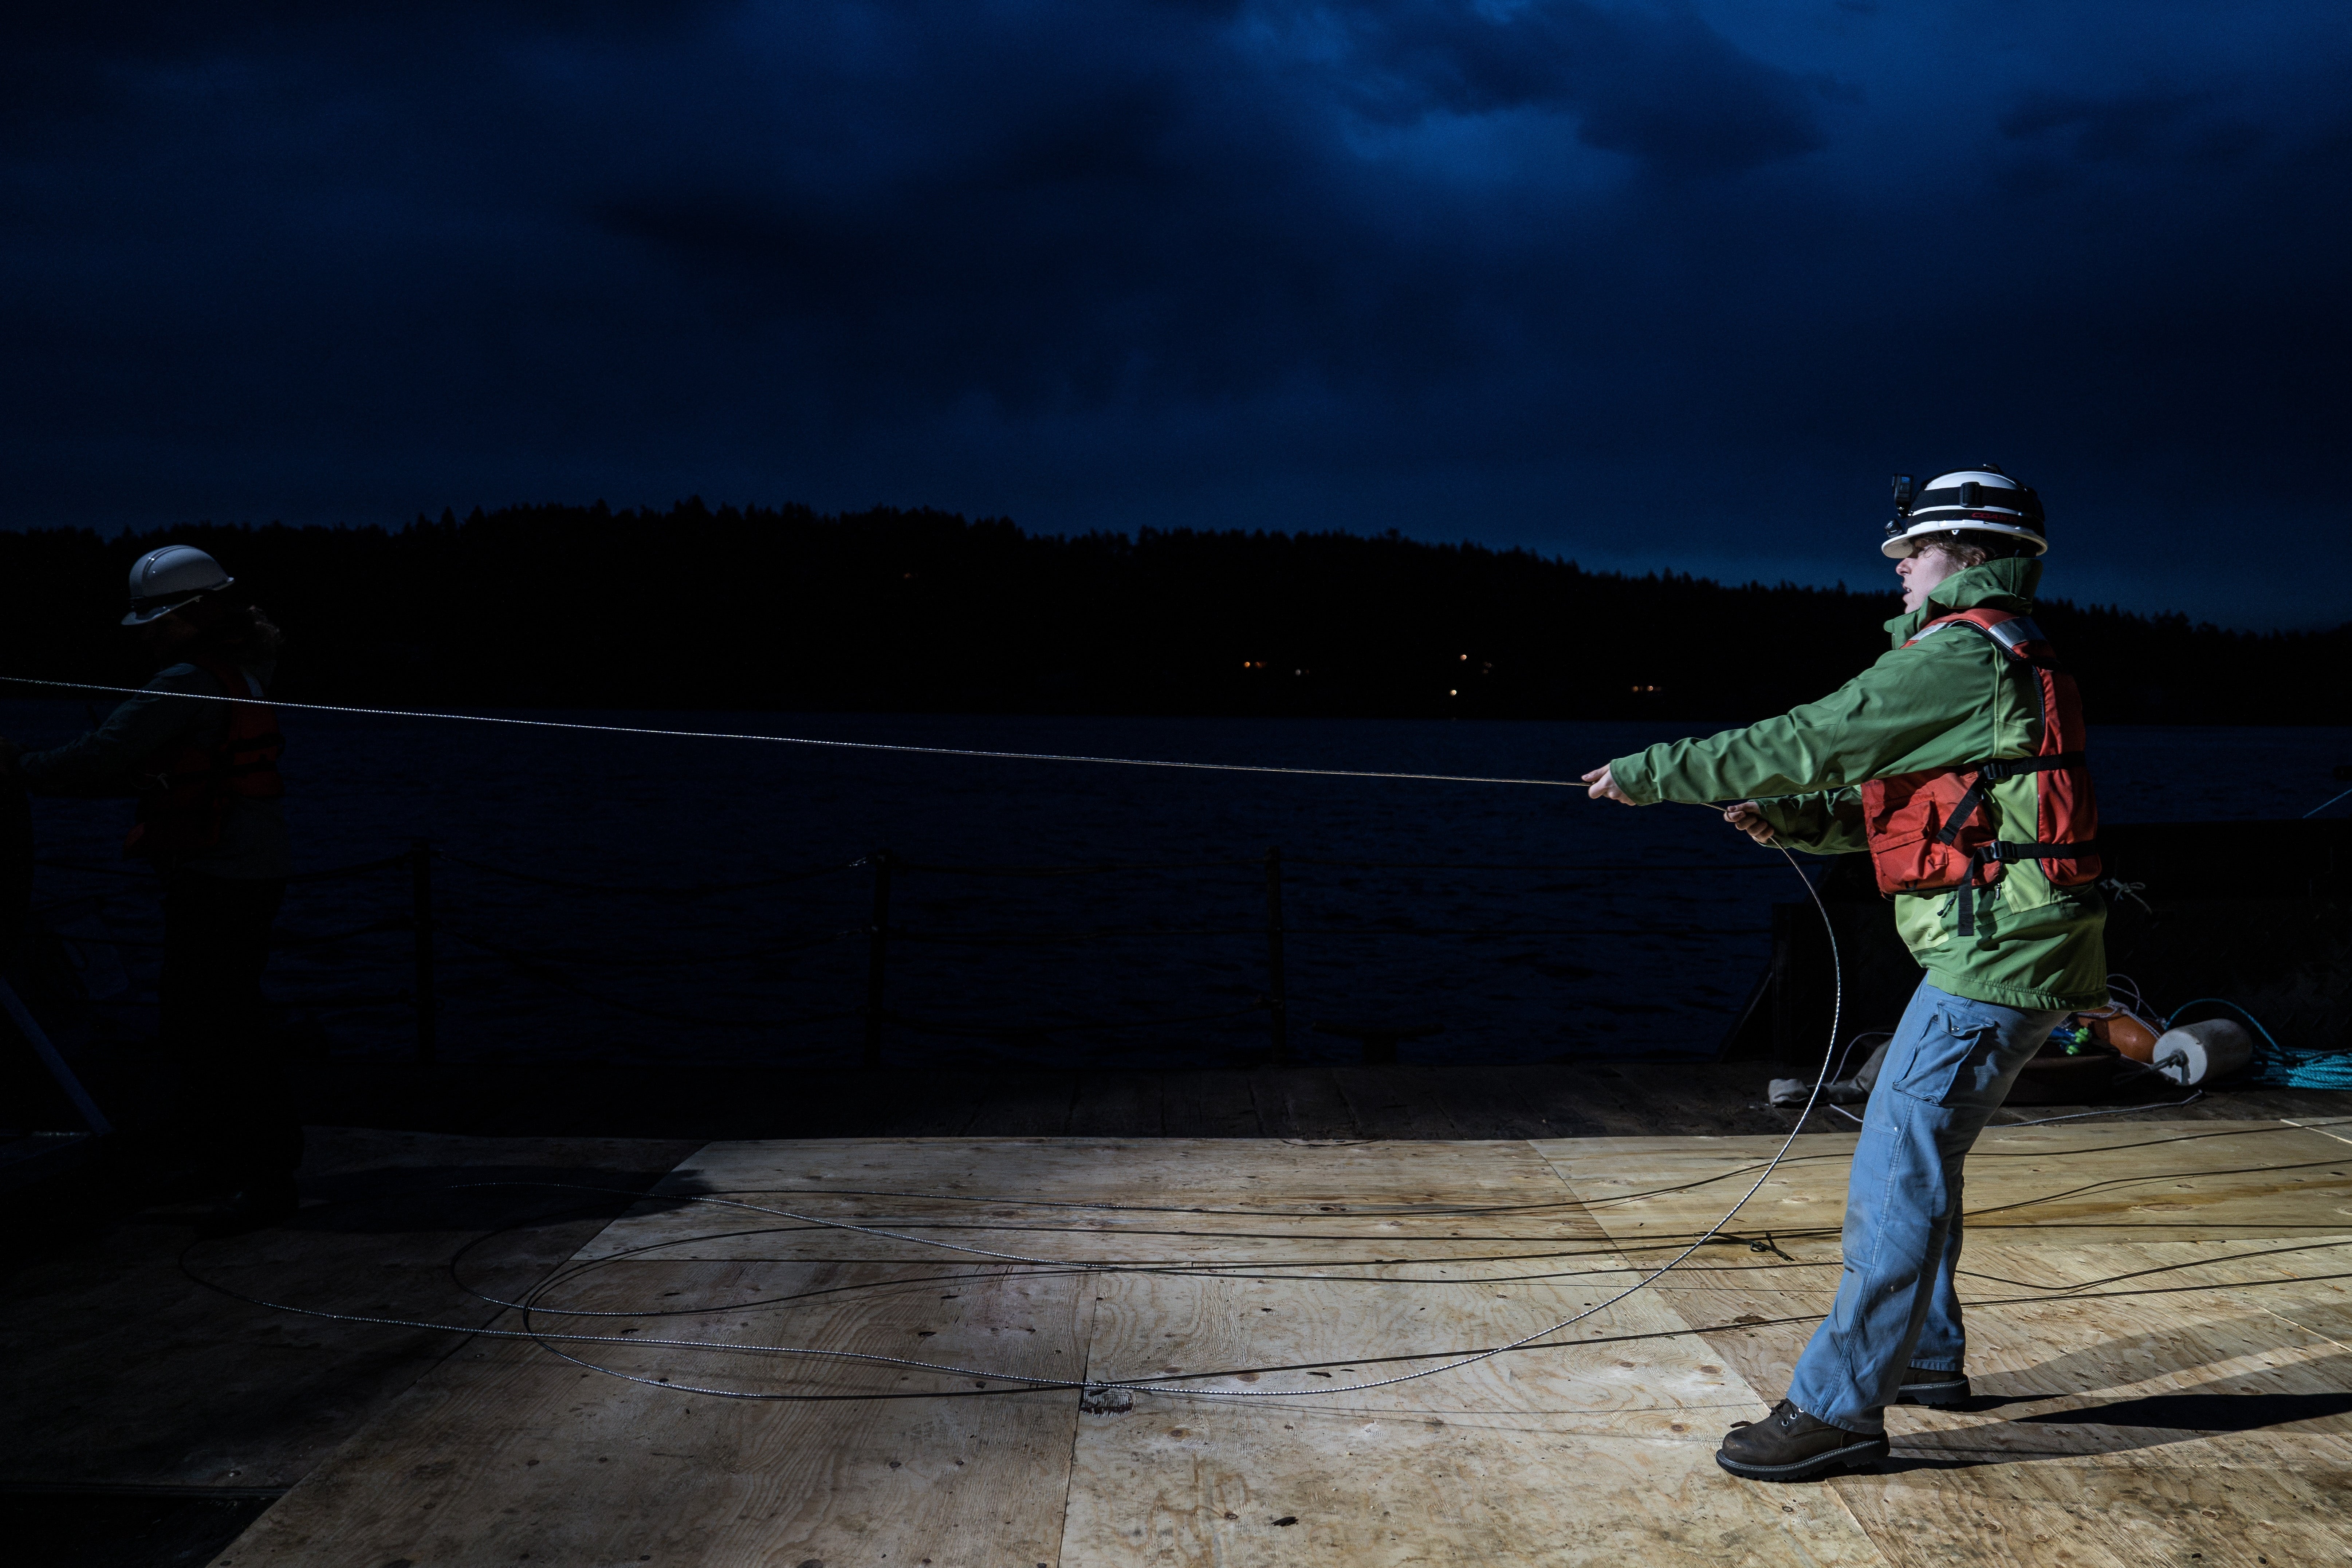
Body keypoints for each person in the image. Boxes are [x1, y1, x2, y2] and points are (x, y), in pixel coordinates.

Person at [1582, 466, 2105, 1481]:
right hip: (2008, 945)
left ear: (1967, 552)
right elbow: (1932, 809)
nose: (1900, 568)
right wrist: (1794, 821)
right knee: (1923, 1154)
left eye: (1912, 550)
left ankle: (1838, 1410)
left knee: (1894, 1170)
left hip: (1998, 956)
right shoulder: (1998, 655)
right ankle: (1931, 1361)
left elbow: (1809, 738)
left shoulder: (1957, 655)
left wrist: (1655, 774)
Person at [9, 546, 298, 1232]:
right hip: (250, 869)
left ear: (196, 615)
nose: (149, 631)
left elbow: (96, 759)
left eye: (161, 619)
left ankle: (261, 1174)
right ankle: (227, 1157)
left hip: (219, 875)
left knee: (216, 1025)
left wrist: (12, 766)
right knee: (217, 1018)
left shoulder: (185, 683)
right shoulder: (248, 669)